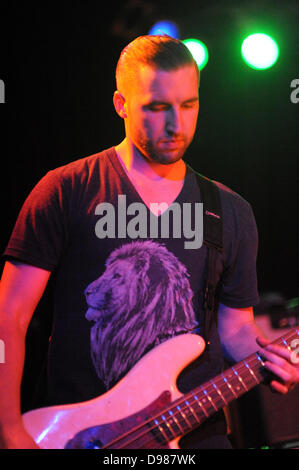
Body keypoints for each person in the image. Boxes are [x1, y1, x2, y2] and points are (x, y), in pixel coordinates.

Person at [0, 35, 298, 450]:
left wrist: (275, 360)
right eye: (157, 107)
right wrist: (9, 428)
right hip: (81, 436)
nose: (176, 124)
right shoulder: (66, 190)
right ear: (121, 104)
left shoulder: (230, 211)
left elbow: (236, 329)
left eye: (188, 105)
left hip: (196, 435)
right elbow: (8, 318)